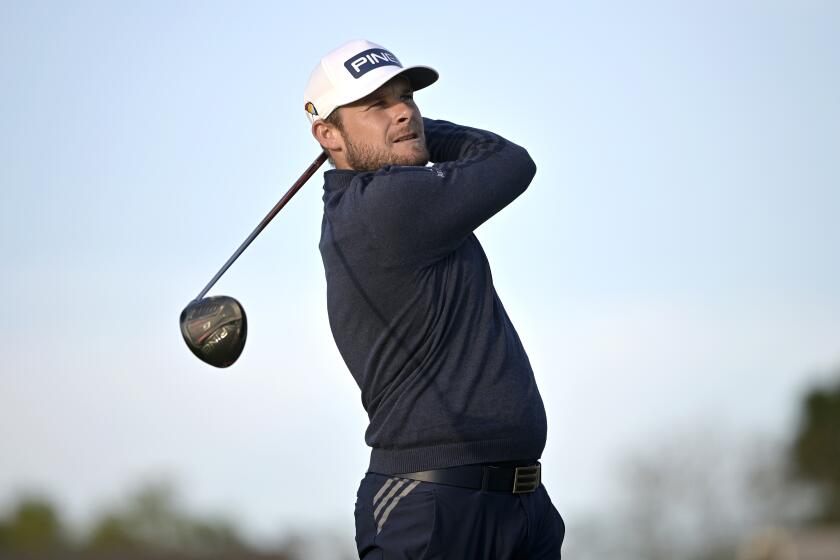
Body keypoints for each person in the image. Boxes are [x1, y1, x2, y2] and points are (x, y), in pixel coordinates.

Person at [304, 39, 565, 559]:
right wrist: (424, 136)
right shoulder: (386, 207)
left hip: (517, 503)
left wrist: (398, 134)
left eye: (407, 99)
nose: (403, 111)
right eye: (376, 104)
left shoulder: (393, 199)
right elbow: (511, 162)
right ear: (327, 134)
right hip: (433, 506)